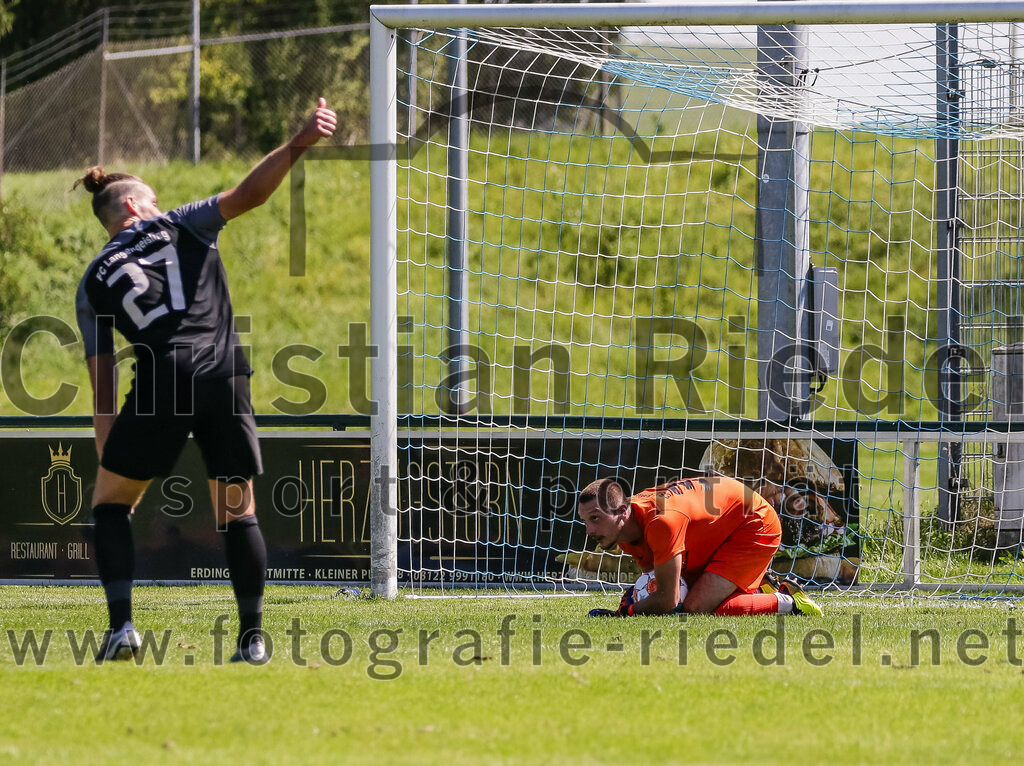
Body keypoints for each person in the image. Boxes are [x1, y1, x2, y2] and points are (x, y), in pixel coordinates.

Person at [74, 98, 338, 663]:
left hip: (161, 380)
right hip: (222, 372)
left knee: (111, 506)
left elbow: (100, 378)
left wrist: (108, 447)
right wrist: (298, 142)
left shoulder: (93, 279)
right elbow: (250, 195)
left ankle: (122, 629)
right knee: (237, 510)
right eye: (153, 197)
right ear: (133, 206)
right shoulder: (178, 224)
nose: (159, 203)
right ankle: (253, 640)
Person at [578, 476, 822, 617]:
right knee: (692, 594)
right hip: (722, 526)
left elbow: (668, 600)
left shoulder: (661, 522)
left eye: (595, 519)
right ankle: (755, 586)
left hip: (753, 523)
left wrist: (624, 613)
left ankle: (790, 601)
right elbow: (658, 584)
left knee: (697, 608)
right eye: (585, 521)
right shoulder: (626, 529)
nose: (589, 531)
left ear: (622, 511)